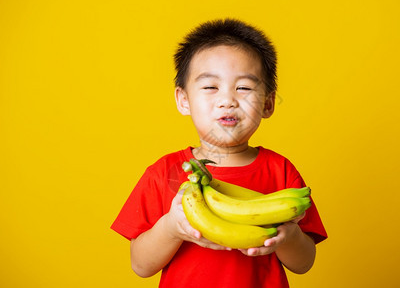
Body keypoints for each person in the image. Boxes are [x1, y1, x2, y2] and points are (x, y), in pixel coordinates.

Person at [111, 18, 327, 288]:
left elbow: (304, 263)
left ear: (268, 104)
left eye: (244, 88)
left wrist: (289, 236)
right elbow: (140, 265)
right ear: (183, 100)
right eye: (211, 87)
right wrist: (172, 227)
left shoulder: (280, 171)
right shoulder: (164, 174)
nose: (228, 100)